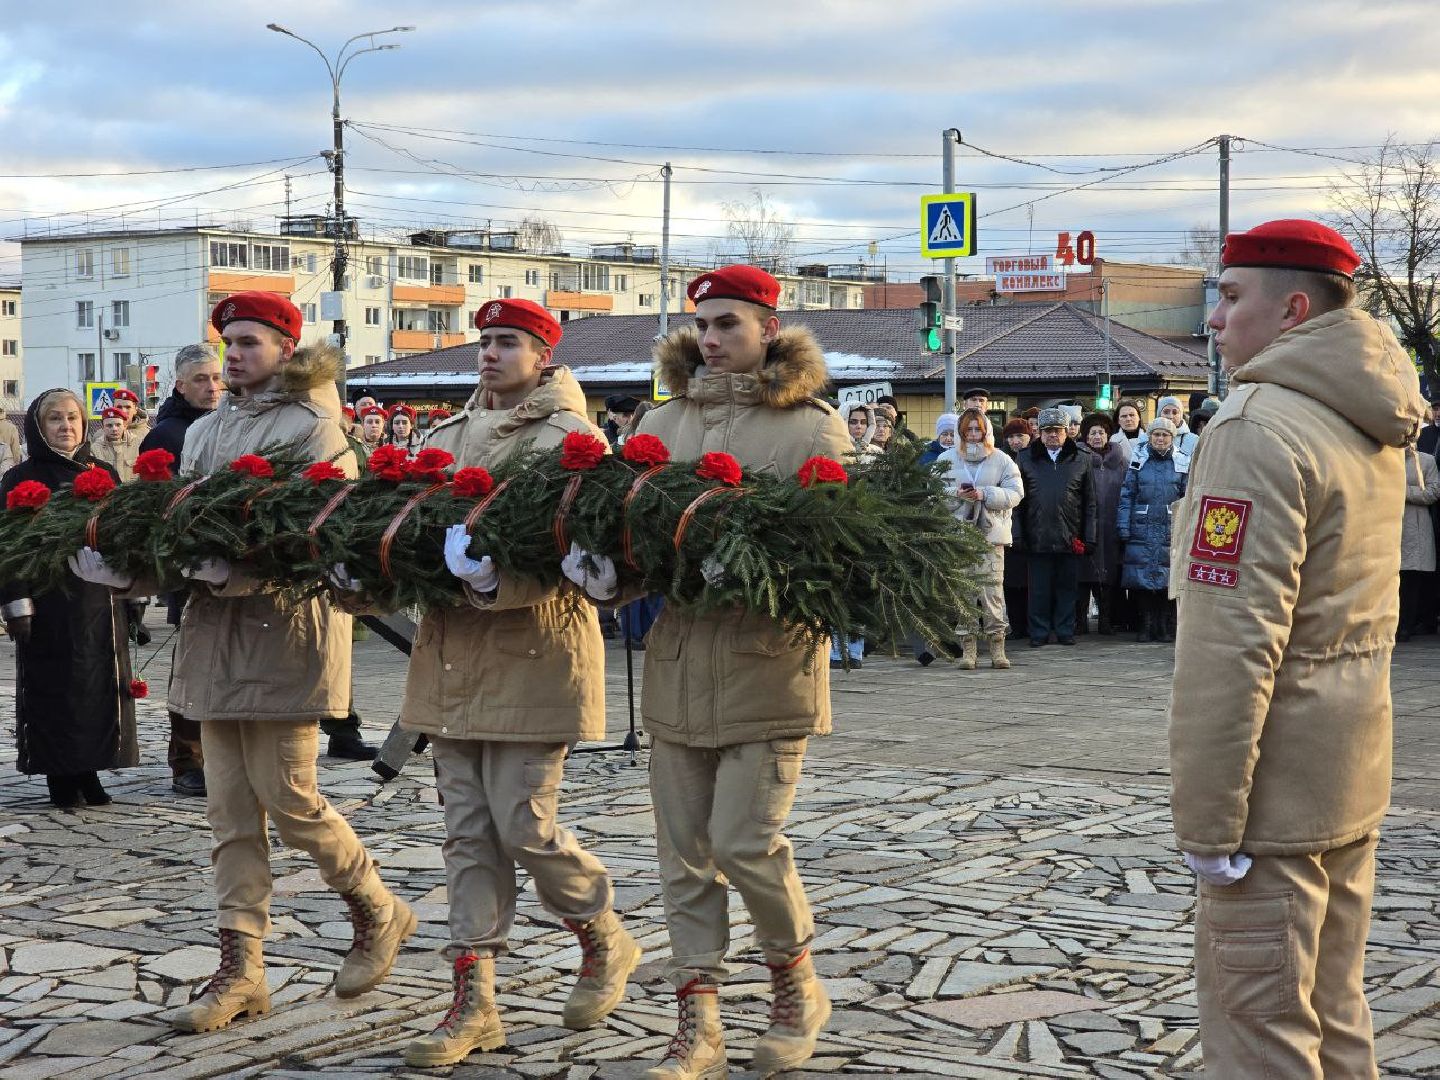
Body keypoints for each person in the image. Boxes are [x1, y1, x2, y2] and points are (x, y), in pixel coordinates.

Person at [72, 292, 414, 1031]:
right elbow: (177, 533)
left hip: (287, 635)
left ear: (286, 349)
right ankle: (242, 970)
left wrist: (243, 571)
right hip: (214, 639)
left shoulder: (317, 428)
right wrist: (130, 576)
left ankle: (378, 909)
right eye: (227, 343)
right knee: (228, 814)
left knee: (290, 799)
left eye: (250, 342)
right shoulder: (206, 430)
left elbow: (323, 536)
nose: (234, 356)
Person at [567, 265, 850, 1079]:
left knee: (745, 842)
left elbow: (838, 556)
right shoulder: (664, 421)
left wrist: (760, 563)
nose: (713, 337)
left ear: (769, 329)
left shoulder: (810, 427)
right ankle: (700, 1023)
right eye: (704, 324)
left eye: (729, 323)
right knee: (683, 853)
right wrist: (610, 577)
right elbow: (631, 534)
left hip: (769, 668)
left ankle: (796, 987)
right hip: (679, 664)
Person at [1170, 220, 1426, 1077]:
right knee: (1335, 1011)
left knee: (1261, 1028)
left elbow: (1230, 643)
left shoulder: (1257, 427)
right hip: (1350, 765)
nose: (1214, 318)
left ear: (1292, 308)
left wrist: (1209, 817)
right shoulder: (1364, 417)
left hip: (1272, 791)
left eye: (1230, 296)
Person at [371, 299, 640, 1068]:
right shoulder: (443, 438)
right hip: (451, 655)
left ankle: (603, 936)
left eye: (508, 343)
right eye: (485, 341)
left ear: (543, 356)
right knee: (467, 836)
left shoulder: (572, 440)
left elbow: (573, 558)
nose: (491, 354)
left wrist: (497, 579)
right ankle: (474, 1002)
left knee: (524, 824)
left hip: (534, 651)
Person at [1, 389, 136, 808]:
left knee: (99, 688)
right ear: (40, 428)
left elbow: (124, 536)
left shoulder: (106, 473)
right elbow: (6, 546)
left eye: (73, 418)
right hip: (49, 603)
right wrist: (15, 603)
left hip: (98, 598)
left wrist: (132, 595)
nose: (66, 426)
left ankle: (92, 769)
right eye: (55, 419)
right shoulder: (20, 477)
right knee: (56, 690)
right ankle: (59, 774)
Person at [139, 343, 226, 797]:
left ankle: (223, 759)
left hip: (233, 563)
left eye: (215, 377)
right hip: (189, 568)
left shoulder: (231, 421)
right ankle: (186, 760)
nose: (211, 387)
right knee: (193, 666)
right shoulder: (167, 435)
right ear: (179, 384)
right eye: (200, 380)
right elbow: (160, 508)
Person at [936, 408, 1022, 669]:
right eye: (968, 430)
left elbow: (1016, 492)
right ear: (961, 433)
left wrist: (984, 493)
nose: (973, 435)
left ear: (986, 431)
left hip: (990, 536)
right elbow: (932, 494)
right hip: (958, 535)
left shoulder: (1002, 459)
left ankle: (998, 647)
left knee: (993, 592)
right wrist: (957, 495)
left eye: (977, 429)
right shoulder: (946, 458)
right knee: (963, 592)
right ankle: (968, 650)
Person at [1015, 407, 1095, 647]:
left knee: (1067, 588)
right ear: (1039, 432)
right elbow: (1017, 502)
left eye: (1058, 431)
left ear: (1066, 432)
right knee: (1038, 590)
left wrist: (1089, 537)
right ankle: (1038, 632)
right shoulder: (1025, 458)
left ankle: (1064, 630)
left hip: (1070, 536)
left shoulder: (1081, 459)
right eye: (1048, 431)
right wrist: (1018, 534)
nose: (1053, 435)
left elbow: (1090, 503)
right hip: (1036, 535)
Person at [1116, 418, 1185, 642]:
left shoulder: (1182, 461)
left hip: (1170, 527)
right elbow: (1127, 495)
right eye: (1156, 435)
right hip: (1142, 527)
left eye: (1165, 435)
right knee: (1142, 578)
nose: (1160, 439)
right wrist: (1123, 525)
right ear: (1150, 437)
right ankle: (1145, 624)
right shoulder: (1139, 460)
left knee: (1168, 577)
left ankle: (1164, 625)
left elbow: (1187, 497)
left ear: (1172, 438)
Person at [1076, 413, 1128, 635]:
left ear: (1108, 435)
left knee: (1108, 576)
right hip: (1084, 525)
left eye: (1101, 432)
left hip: (1111, 525)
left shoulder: (1121, 462)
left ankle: (1107, 619)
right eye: (1092, 433)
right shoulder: (1077, 459)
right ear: (1086, 437)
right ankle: (1079, 621)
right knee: (1082, 575)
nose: (1097, 437)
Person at [1399, 443, 1440, 641]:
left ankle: (1406, 625)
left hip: (1415, 527)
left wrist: (1404, 492)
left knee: (1410, 579)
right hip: (1388, 526)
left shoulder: (1426, 460)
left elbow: (1433, 492)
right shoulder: (1383, 458)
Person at [1000, 418, 1031, 636]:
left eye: (1020, 436)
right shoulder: (1001, 460)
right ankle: (1017, 625)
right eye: (1011, 437)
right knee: (1011, 582)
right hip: (1007, 526)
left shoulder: (1036, 458)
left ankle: (1030, 625)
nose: (1015, 441)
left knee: (1031, 582)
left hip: (1032, 527)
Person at [89, 406, 138, 482]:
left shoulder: (137, 444)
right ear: (103, 427)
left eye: (118, 425)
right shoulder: (95, 448)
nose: (114, 429)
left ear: (124, 426)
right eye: (109, 426)